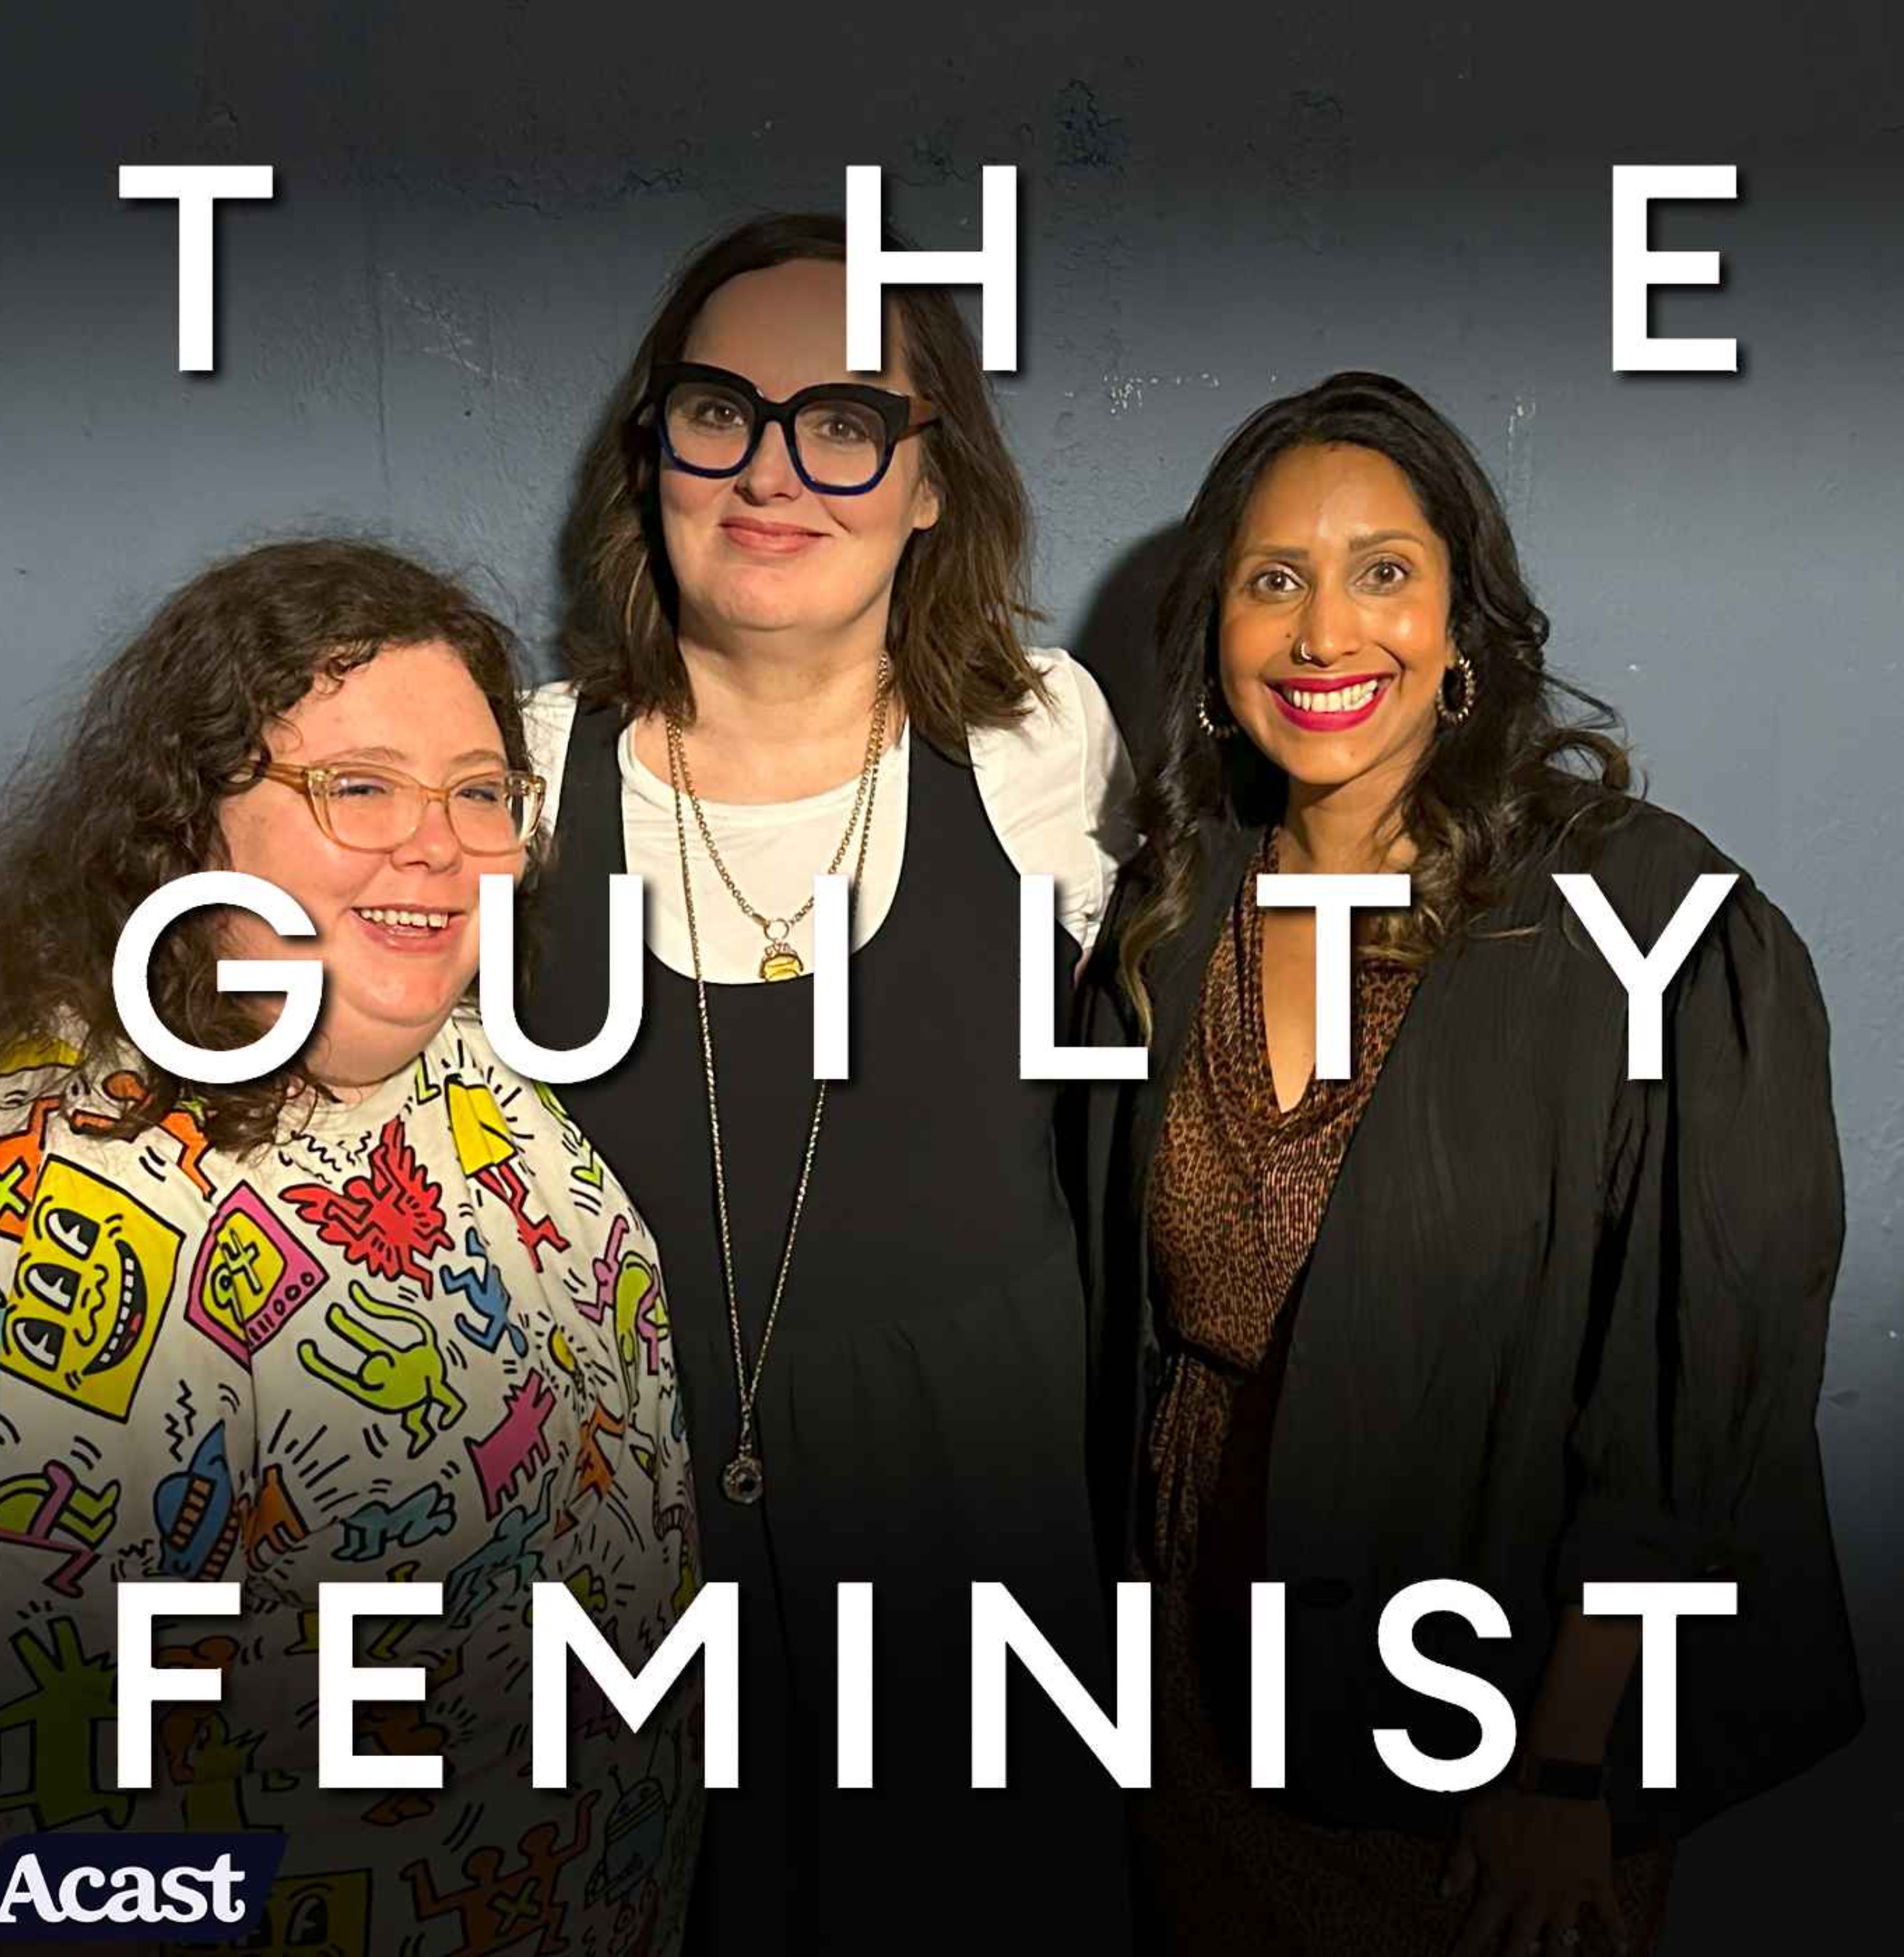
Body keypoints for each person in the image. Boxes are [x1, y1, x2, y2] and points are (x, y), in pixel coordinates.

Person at [1071, 373, 1862, 1956]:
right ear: (1216, 638)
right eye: (1273, 579)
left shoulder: (1645, 921)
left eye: (1383, 571)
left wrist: (1565, 1764)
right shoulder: (1171, 914)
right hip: (1189, 1690)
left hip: (1494, 1718)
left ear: (1462, 629)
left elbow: (1695, 1404)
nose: (1324, 633)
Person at [0, 539, 701, 1954]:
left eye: (479, 791)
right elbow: (17, 1848)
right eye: (358, 786)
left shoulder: (479, 1078)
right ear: (187, 824)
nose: (437, 843)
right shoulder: (49, 1205)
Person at [525, 215, 1134, 1952]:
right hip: (626, 1597)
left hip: (973, 1585)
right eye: (720, 411)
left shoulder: (1041, 741)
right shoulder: (523, 767)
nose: (774, 469)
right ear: (653, 452)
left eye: (847, 421)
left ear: (934, 482)